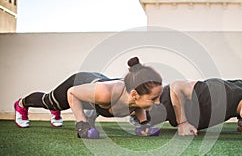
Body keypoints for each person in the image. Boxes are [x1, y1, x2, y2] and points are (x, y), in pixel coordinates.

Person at [13, 57, 163, 139]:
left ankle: (58, 111)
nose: (158, 102)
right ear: (135, 95)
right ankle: (21, 104)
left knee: (92, 107)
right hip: (79, 84)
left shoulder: (135, 96)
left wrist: (144, 125)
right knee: (50, 102)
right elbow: (72, 92)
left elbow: (138, 105)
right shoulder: (106, 94)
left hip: (97, 90)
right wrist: (82, 124)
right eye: (154, 98)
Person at [141, 79, 242, 136]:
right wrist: (183, 123)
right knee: (126, 107)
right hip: (164, 102)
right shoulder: (216, 95)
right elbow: (176, 86)